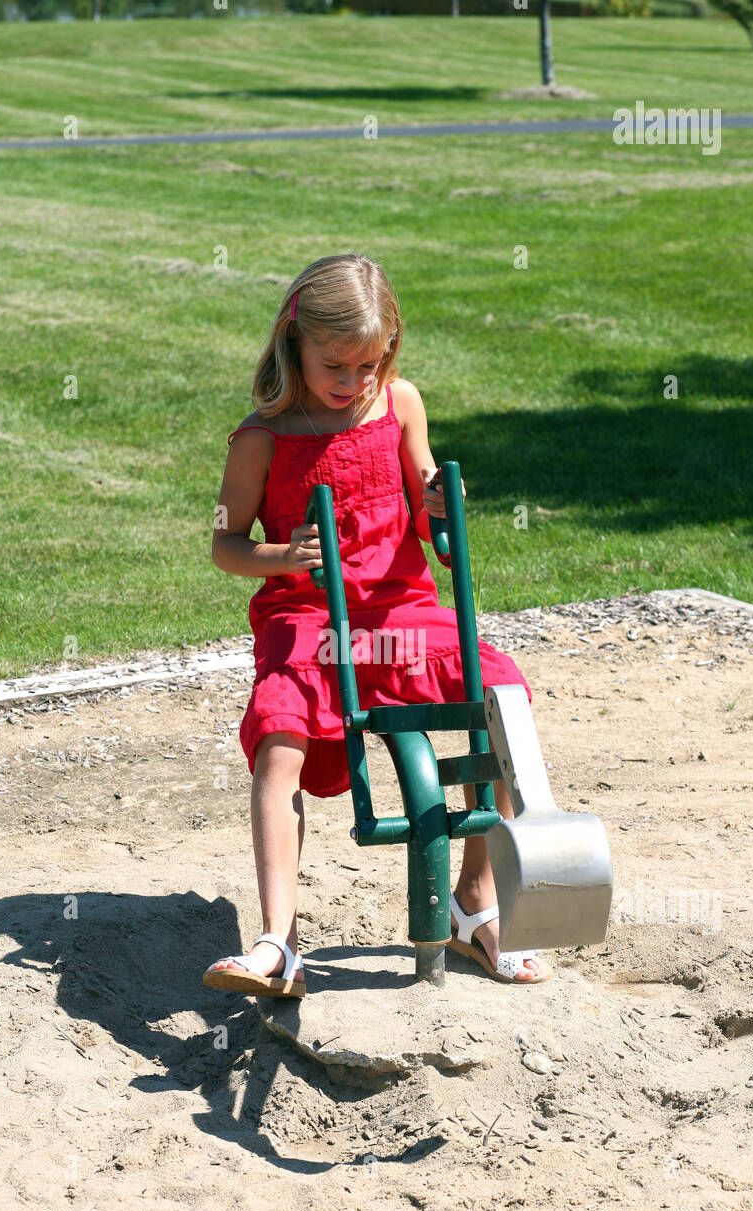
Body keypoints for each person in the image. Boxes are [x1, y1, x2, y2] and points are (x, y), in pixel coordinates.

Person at [204, 253, 552, 999]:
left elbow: (439, 540)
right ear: (294, 342)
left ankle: (474, 904)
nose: (354, 381)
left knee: (501, 697)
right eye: (336, 363)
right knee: (279, 737)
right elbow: (223, 543)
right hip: (308, 618)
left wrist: (439, 512)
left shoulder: (399, 406)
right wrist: (280, 554)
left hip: (403, 612)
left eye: (371, 363)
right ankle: (279, 943)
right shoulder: (261, 438)